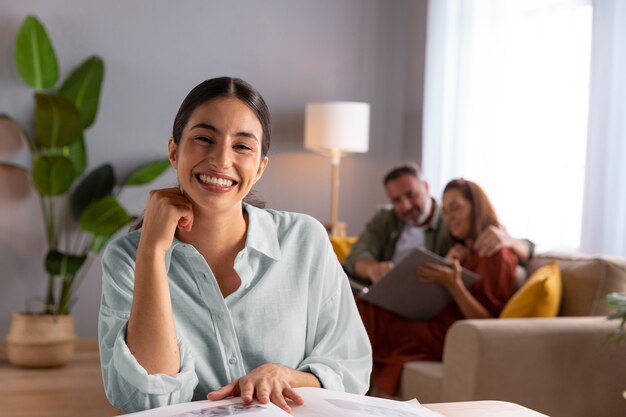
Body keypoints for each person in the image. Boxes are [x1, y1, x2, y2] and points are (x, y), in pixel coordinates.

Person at [98, 77, 372, 414]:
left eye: (242, 146)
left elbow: (349, 367)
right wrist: (152, 253)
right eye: (204, 139)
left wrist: (284, 376)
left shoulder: (306, 240)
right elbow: (148, 400)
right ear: (174, 150)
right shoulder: (127, 257)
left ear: (260, 168)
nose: (221, 160)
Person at [356, 178, 519, 396]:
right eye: (446, 212)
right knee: (364, 305)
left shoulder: (496, 254)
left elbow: (488, 324)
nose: (450, 218)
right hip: (431, 322)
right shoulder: (463, 249)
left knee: (366, 314)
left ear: (476, 207)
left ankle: (342, 387)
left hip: (450, 335)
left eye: (456, 209)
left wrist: (455, 286)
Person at [343, 163, 534, 284]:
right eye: (397, 200)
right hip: (376, 289)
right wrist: (372, 269)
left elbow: (519, 244)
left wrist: (510, 240)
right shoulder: (386, 218)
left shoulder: (452, 221)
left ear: (426, 187)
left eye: (411, 195)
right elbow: (357, 255)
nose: (406, 205)